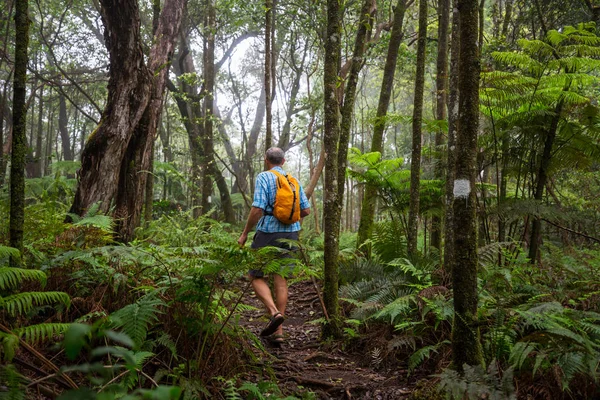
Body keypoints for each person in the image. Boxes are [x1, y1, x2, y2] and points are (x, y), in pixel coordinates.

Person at [238, 147, 310, 343]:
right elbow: (306, 210)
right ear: (284, 161)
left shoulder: (264, 177)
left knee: (254, 275)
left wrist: (245, 233)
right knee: (281, 279)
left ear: (266, 160)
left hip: (268, 232)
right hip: (291, 234)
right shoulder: (293, 180)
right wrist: (288, 217)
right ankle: (278, 332)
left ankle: (273, 312)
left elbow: (257, 209)